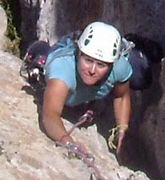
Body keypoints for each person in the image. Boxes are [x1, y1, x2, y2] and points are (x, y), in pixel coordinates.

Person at [38, 21, 133, 160]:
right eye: (88, 61)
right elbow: (50, 115)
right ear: (78, 54)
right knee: (39, 53)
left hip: (87, 94)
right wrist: (67, 141)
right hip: (60, 62)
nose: (92, 70)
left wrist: (122, 128)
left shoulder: (119, 67)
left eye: (101, 65)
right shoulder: (62, 72)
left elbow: (121, 96)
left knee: (141, 73)